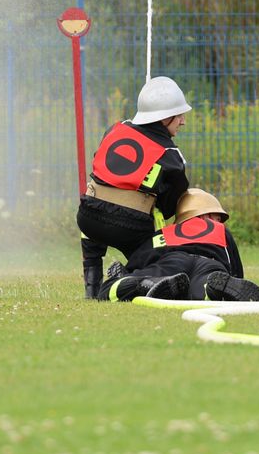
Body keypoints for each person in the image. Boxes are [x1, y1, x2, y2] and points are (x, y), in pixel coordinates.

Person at [76, 76, 194, 298]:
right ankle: (136, 278)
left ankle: (91, 289)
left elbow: (101, 166)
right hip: (128, 229)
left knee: (93, 208)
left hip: (87, 219)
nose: (183, 121)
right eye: (179, 115)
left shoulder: (115, 128)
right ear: (164, 118)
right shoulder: (171, 156)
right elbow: (169, 207)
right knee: (154, 253)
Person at [99, 188, 259, 303]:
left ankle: (146, 284)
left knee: (107, 289)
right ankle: (211, 290)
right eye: (217, 216)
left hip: (172, 261)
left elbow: (141, 258)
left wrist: (128, 272)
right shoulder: (220, 230)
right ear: (205, 214)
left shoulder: (167, 232)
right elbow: (235, 271)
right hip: (210, 265)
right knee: (199, 291)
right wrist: (232, 280)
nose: (218, 221)